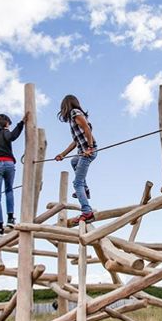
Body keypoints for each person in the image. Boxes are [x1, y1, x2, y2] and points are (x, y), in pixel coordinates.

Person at [0, 112, 28, 236]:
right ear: (6, 123)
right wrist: (21, 123)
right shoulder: (5, 131)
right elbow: (12, 137)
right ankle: (10, 218)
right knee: (9, 190)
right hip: (9, 163)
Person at [55, 95, 97, 226]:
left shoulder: (75, 113)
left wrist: (89, 148)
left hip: (87, 152)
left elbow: (87, 129)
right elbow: (75, 141)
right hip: (82, 153)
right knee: (73, 161)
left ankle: (86, 211)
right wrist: (62, 154)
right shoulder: (73, 119)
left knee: (76, 183)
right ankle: (85, 189)